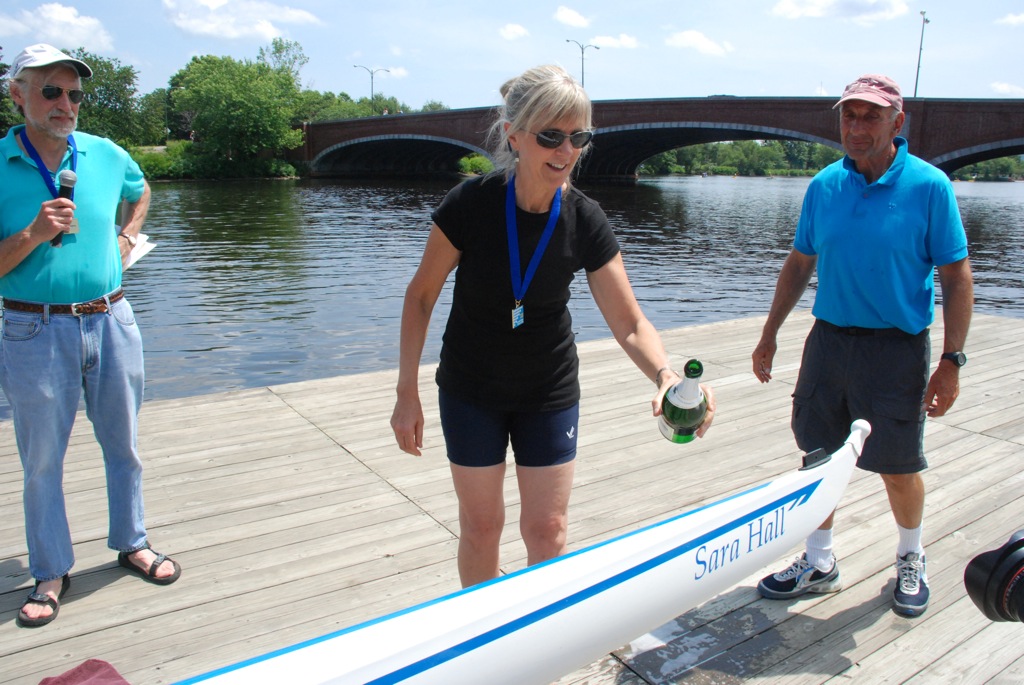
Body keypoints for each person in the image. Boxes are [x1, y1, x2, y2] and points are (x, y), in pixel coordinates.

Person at [390, 65, 715, 588]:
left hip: (548, 389)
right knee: (482, 526)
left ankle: (536, 628)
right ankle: (485, 631)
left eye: (578, 138)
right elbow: (421, 296)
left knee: (548, 529)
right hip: (471, 388)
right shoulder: (470, 204)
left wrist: (666, 375)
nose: (566, 151)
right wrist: (407, 392)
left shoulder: (584, 218)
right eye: (550, 137)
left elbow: (630, 322)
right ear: (515, 136)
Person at [751, 74, 973, 617]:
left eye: (871, 116)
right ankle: (818, 561)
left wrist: (951, 361)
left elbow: (957, 276)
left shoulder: (929, 186)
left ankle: (910, 557)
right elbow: (800, 262)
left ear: (898, 123)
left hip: (896, 349)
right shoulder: (824, 185)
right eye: (849, 115)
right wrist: (770, 332)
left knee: (898, 465)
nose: (856, 127)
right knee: (818, 459)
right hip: (828, 342)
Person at [1, 44, 181, 628]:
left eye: (74, 94)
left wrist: (128, 236)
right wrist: (32, 233)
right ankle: (50, 570)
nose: (66, 104)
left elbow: (140, 190)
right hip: (32, 326)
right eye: (51, 91)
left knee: (124, 444)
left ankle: (132, 542)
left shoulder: (105, 153)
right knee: (42, 460)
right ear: (18, 95)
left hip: (112, 318)